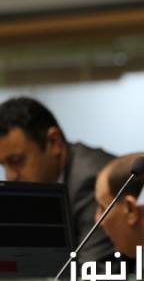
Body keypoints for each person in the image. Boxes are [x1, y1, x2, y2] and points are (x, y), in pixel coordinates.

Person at [0, 97, 114, 263]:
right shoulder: (40, 185)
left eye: (16, 161)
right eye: (3, 165)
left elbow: (92, 271)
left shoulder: (93, 181)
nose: (10, 176)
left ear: (54, 142)